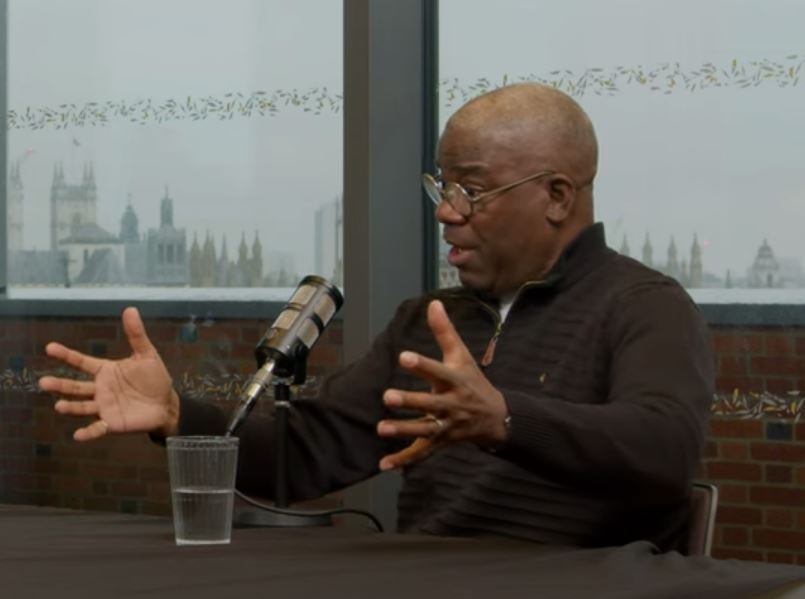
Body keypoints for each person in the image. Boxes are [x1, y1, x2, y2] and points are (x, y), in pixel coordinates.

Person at [39, 83, 714, 551]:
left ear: (557, 196)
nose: (446, 211)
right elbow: (307, 455)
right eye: (440, 187)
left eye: (470, 191)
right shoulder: (428, 320)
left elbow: (661, 449)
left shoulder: (644, 306)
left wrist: (504, 419)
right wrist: (181, 416)